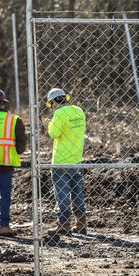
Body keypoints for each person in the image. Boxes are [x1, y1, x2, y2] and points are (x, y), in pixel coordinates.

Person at [44, 87, 88, 238]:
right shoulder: (79, 111)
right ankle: (81, 223)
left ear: (54, 102)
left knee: (62, 194)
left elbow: (53, 133)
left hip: (61, 161)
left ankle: (64, 224)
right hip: (77, 159)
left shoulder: (59, 113)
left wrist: (49, 123)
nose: (52, 107)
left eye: (51, 104)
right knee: (77, 193)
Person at [0, 89, 27, 237]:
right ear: (4, 104)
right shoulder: (14, 120)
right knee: (5, 195)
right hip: (5, 163)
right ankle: (4, 226)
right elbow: (21, 145)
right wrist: (16, 152)